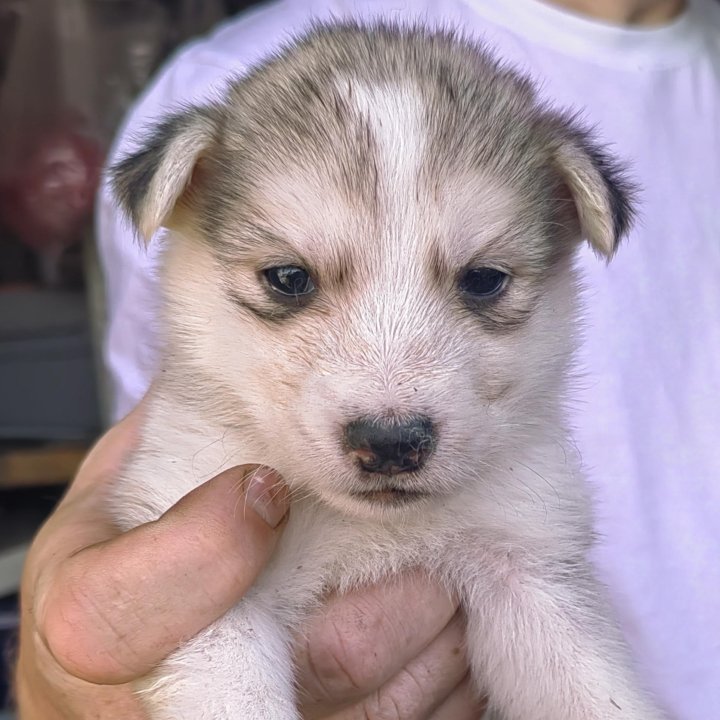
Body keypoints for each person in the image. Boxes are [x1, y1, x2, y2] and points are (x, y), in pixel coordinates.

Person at [15, 0, 720, 718]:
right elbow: (176, 624)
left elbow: (562, 650)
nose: (392, 408)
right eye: (289, 281)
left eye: (482, 283)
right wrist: (71, 682)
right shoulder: (210, 75)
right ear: (184, 206)